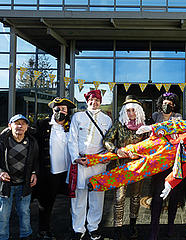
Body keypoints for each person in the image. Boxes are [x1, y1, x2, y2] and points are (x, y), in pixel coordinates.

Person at [68, 90, 112, 240]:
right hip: (80, 162)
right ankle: (78, 229)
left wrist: (107, 157)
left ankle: (93, 227)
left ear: (101, 102)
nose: (94, 103)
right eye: (91, 100)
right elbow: (72, 139)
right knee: (79, 198)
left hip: (98, 163)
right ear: (87, 101)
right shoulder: (78, 117)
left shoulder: (107, 119)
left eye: (97, 100)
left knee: (97, 197)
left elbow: (110, 142)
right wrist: (75, 158)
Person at [103, 95, 147, 240]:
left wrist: (141, 153)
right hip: (121, 166)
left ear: (138, 111)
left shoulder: (144, 127)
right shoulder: (119, 124)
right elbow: (107, 140)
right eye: (128, 110)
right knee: (119, 197)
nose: (131, 113)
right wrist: (116, 150)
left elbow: (151, 144)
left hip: (138, 167)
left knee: (135, 197)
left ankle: (133, 225)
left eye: (133, 110)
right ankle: (117, 227)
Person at [33, 97, 76, 240]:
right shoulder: (43, 124)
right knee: (46, 203)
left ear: (67, 111)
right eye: (57, 108)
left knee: (74, 202)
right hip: (50, 173)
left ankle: (75, 228)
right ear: (53, 110)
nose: (60, 111)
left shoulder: (72, 126)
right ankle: (44, 230)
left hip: (69, 172)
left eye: (64, 109)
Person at [149, 92, 183, 240]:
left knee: (174, 196)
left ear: (174, 105)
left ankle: (170, 225)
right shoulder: (155, 116)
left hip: (174, 162)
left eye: (170, 102)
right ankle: (154, 229)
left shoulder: (179, 118)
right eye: (165, 101)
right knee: (157, 196)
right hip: (158, 162)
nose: (167, 104)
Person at [0, 114, 39, 240]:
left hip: (24, 184)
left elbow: (36, 161)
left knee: (24, 212)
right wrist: (0, 172)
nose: (20, 126)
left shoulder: (32, 142)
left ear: (27, 127)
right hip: (6, 185)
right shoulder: (2, 141)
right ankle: (3, 236)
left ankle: (26, 235)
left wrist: (34, 173)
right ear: (10, 126)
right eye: (17, 123)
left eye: (23, 123)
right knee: (3, 214)